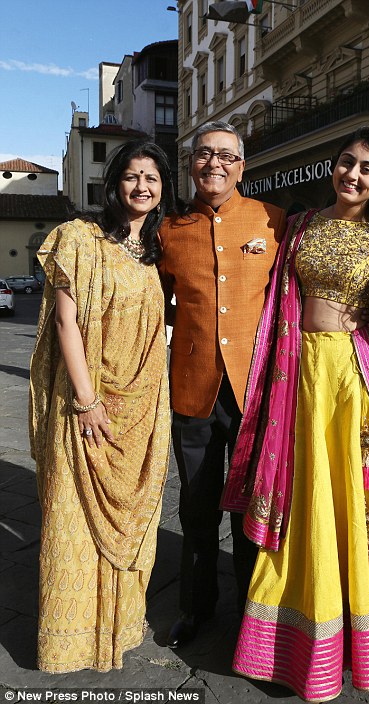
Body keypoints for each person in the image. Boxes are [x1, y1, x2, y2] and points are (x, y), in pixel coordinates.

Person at [222, 127, 369, 701]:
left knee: (356, 502)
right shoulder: (300, 225)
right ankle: (303, 630)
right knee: (306, 500)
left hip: (353, 381)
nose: (353, 174)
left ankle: (364, 636)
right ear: (333, 167)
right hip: (299, 377)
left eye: (368, 168)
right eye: (347, 162)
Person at [29, 140, 175, 673]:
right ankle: (71, 641)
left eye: (152, 178)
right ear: (114, 183)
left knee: (136, 522)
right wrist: (87, 400)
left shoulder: (155, 250)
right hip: (88, 404)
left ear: (163, 190)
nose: (142, 186)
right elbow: (66, 323)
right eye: (133, 176)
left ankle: (118, 626)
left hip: (140, 408)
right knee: (74, 523)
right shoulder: (79, 239)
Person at [158, 120, 286, 648]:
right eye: (205, 154)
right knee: (196, 506)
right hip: (192, 388)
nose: (216, 163)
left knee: (252, 508)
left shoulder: (272, 221)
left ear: (242, 165)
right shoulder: (166, 230)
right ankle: (196, 607)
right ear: (190, 162)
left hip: (255, 391)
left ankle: (252, 616)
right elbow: (150, 305)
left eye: (226, 156)